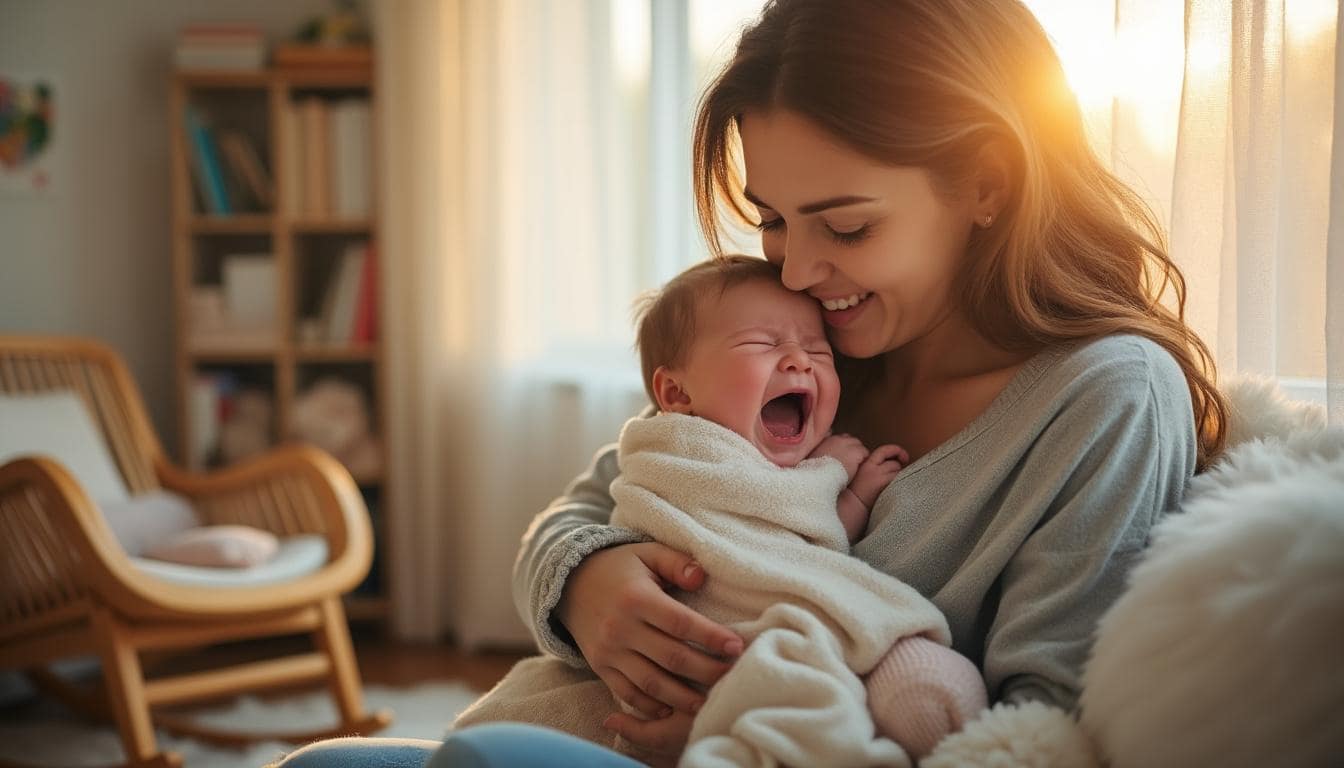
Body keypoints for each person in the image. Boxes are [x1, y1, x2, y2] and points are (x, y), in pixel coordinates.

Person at [274, 0, 1227, 765]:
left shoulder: (1106, 401)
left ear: (987, 184)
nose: (799, 269)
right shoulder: (810, 348)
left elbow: (1038, 733)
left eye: (845, 227)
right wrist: (587, 586)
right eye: (772, 219)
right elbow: (579, 510)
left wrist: (755, 729)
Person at [451, 256, 986, 765]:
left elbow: (806, 545)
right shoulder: (674, 449)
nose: (800, 358)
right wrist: (582, 576)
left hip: (779, 639)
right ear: (676, 392)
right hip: (685, 638)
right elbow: (581, 517)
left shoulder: (810, 463)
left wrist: (850, 493)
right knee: (499, 729)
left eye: (819, 352)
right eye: (763, 343)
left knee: (905, 688)